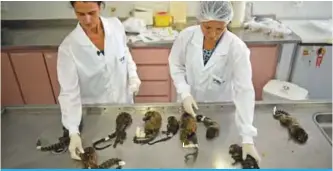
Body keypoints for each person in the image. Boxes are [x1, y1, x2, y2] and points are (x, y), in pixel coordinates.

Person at [168, 1, 261, 163]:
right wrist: (184, 92)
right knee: (186, 153)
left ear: (227, 23)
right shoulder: (186, 37)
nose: (212, 34)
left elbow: (244, 90)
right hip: (189, 107)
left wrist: (247, 138)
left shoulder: (237, 48)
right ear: (200, 21)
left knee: (214, 154)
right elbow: (176, 65)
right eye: (207, 28)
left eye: (219, 28)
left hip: (220, 110)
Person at [57, 1, 141, 160]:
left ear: (101, 7)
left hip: (123, 104)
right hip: (96, 114)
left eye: (92, 13)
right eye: (80, 14)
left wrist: (133, 75)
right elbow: (68, 93)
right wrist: (73, 131)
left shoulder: (115, 26)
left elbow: (125, 52)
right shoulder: (68, 48)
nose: (87, 20)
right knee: (103, 155)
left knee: (128, 153)